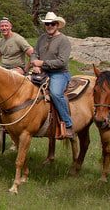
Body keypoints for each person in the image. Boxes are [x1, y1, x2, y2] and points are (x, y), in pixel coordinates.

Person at [31, 11, 73, 139]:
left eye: (52, 24)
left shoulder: (64, 40)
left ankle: (68, 124)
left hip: (59, 73)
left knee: (55, 93)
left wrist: (42, 63)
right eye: (47, 24)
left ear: (57, 25)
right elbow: (34, 53)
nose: (50, 26)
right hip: (42, 71)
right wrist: (35, 64)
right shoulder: (42, 38)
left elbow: (62, 62)